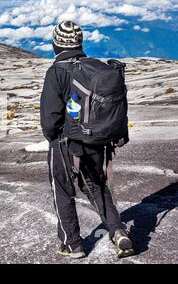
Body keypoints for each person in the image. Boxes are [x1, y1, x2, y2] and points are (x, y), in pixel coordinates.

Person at [40, 21, 133, 259]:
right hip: (96, 139)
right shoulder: (94, 66)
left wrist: (53, 138)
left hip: (65, 142)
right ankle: (118, 231)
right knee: (96, 186)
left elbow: (50, 119)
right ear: (80, 43)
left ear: (55, 44)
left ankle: (72, 244)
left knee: (62, 189)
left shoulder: (57, 71)